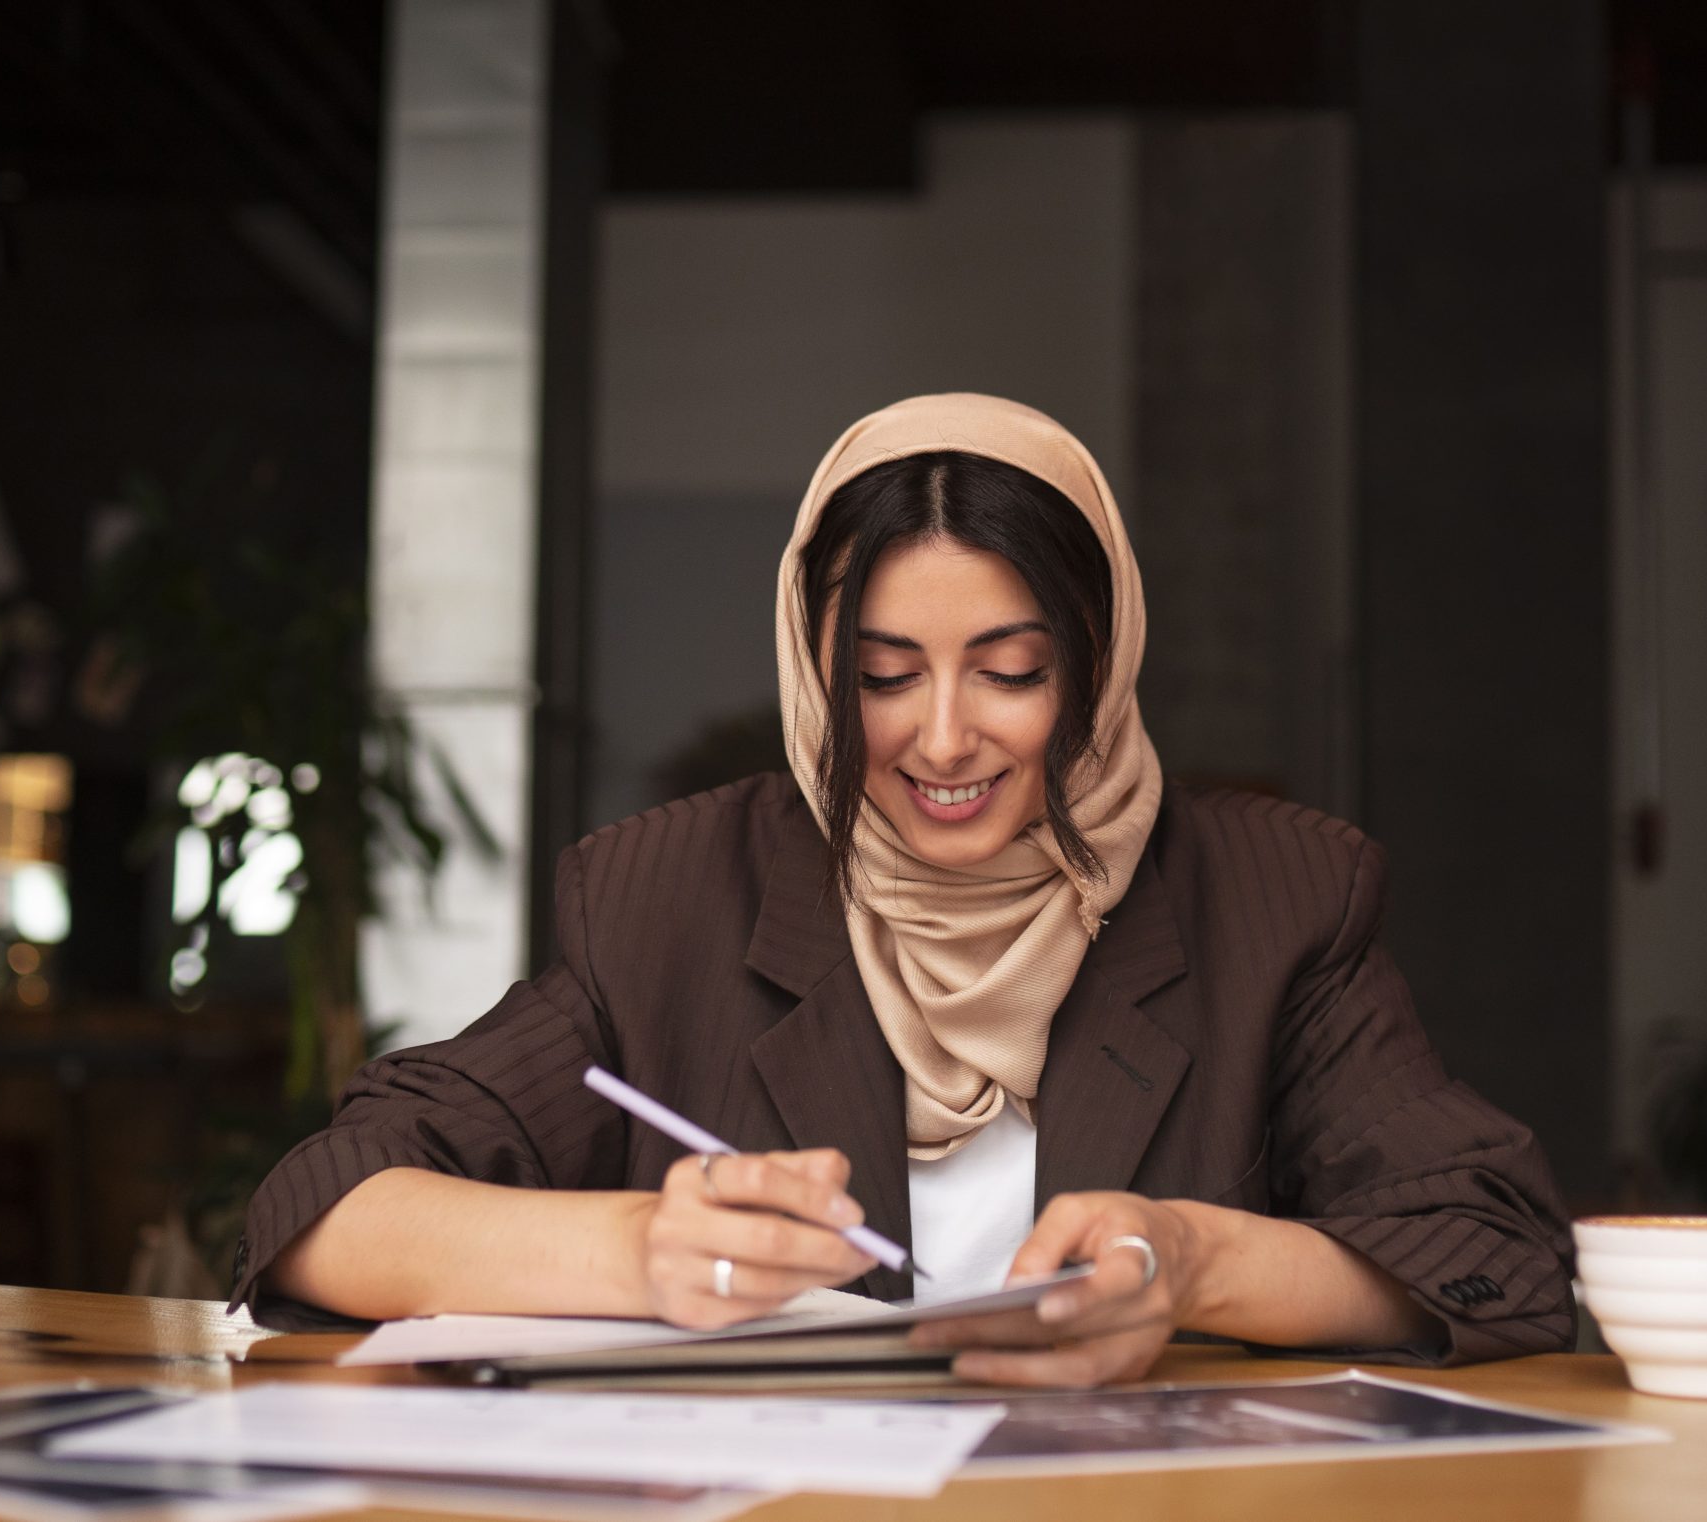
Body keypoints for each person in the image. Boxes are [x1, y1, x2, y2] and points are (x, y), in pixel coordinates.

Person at [235, 393, 1573, 1386]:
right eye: (883, 676)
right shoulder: (666, 896)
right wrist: (645, 1246)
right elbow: (325, 1204)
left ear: (1099, 666)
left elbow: (1497, 1252)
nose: (943, 738)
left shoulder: (1275, 900)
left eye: (1010, 668)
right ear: (817, 673)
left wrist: (1193, 1259)